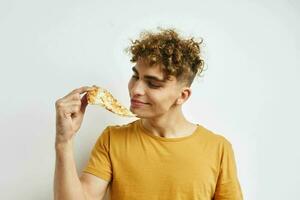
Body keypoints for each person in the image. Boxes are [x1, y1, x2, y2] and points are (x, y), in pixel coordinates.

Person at [54, 28, 243, 200]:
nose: (136, 89)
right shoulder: (112, 140)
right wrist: (64, 141)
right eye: (136, 76)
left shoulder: (218, 149)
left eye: (153, 84)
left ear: (182, 95)